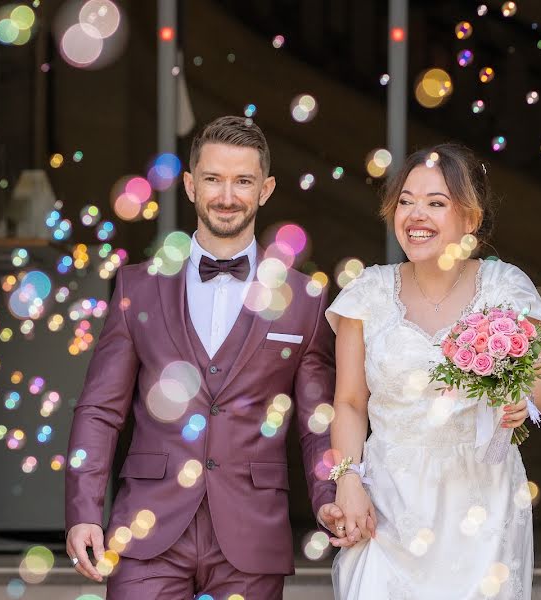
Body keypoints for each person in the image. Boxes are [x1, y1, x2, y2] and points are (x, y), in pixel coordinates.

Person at [65, 116, 350, 599]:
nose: (226, 195)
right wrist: (84, 511)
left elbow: (316, 421)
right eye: (214, 179)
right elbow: (100, 409)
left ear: (266, 190)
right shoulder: (139, 285)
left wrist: (329, 498)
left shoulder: (305, 298)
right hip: (146, 528)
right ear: (191, 184)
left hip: (252, 530)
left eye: (243, 181)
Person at [327, 143, 541, 599]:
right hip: (389, 498)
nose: (416, 216)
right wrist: (349, 480)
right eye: (406, 202)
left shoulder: (506, 286)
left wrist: (523, 401)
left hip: (481, 498)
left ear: (470, 219)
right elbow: (350, 402)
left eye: (436, 203)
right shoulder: (367, 293)